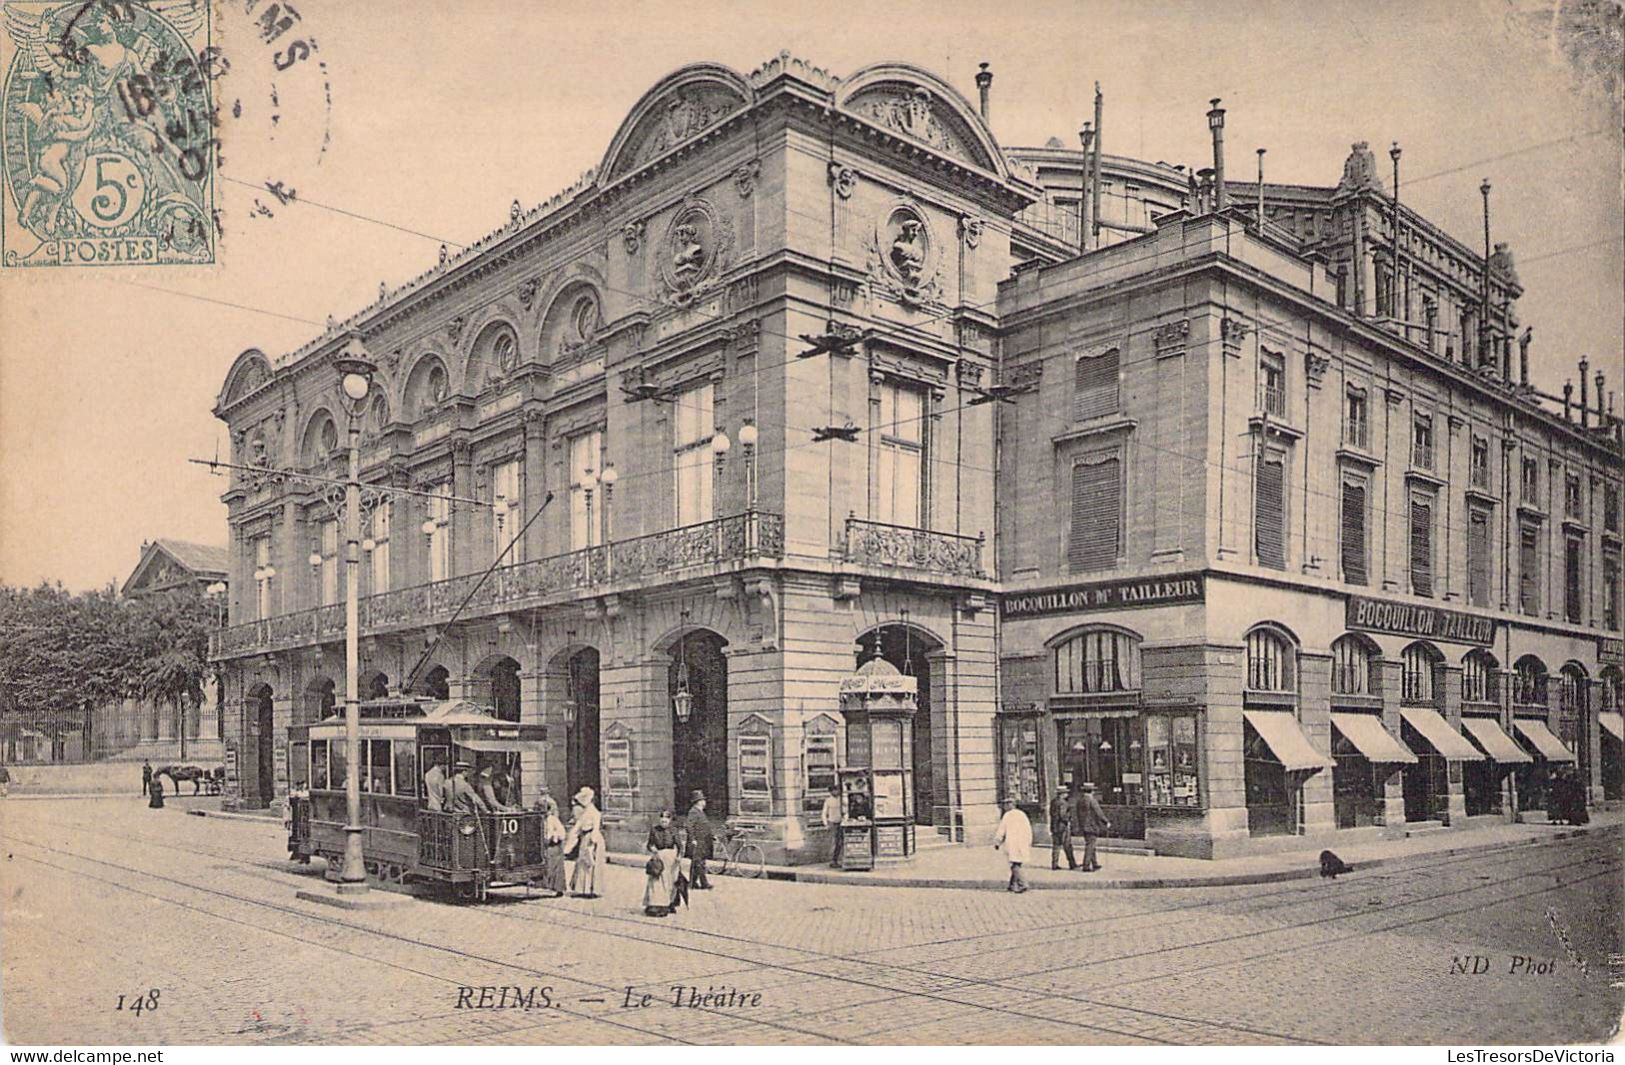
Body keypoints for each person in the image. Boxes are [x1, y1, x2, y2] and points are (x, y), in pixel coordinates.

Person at [563, 787, 604, 898]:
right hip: (585, 837)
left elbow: (595, 828)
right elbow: (577, 827)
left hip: (592, 838)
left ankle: (593, 889)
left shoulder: (595, 812)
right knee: (582, 862)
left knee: (590, 862)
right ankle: (583, 889)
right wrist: (568, 845)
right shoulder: (585, 812)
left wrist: (592, 843)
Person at [644, 810, 680, 916]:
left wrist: (679, 856)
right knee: (656, 882)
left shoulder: (674, 830)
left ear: (670, 820)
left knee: (671, 882)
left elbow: (679, 845)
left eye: (666, 819)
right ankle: (655, 904)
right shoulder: (654, 830)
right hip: (658, 858)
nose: (664, 820)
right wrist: (653, 849)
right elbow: (649, 844)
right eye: (662, 818)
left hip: (670, 858)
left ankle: (670, 903)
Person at [993, 797, 1032, 893]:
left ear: (1011, 805)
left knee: (1015, 864)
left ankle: (1023, 884)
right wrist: (1028, 842)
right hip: (1022, 842)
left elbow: (1002, 830)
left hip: (1013, 843)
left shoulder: (1007, 815)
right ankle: (1012, 885)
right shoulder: (1022, 814)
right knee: (1017, 863)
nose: (1005, 806)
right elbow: (1028, 829)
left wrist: (997, 841)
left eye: (1006, 804)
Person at [535, 795, 568, 897]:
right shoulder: (540, 820)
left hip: (554, 846)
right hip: (545, 846)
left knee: (556, 868)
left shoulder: (553, 819)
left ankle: (558, 889)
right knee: (547, 866)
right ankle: (547, 886)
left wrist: (554, 837)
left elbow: (561, 832)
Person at [1076, 782, 1111, 872]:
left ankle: (1094, 863)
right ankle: (1086, 865)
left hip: (1083, 826)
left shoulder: (1080, 800)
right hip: (1091, 826)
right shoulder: (1092, 800)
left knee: (1091, 844)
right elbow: (1098, 812)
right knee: (1090, 845)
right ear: (1092, 791)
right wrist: (1106, 821)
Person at [685, 790, 714, 890]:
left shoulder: (700, 812)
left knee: (697, 862)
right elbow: (689, 826)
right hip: (697, 841)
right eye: (702, 800)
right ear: (698, 802)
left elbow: (705, 826)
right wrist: (692, 839)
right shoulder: (693, 811)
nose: (704, 802)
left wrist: (711, 835)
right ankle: (704, 883)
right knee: (699, 863)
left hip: (703, 841)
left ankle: (692, 883)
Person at [1049, 782, 1077, 870]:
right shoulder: (1063, 803)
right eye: (1066, 793)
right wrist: (1068, 819)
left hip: (1054, 826)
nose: (1067, 794)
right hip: (1063, 826)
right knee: (1067, 845)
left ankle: (1054, 863)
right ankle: (1072, 863)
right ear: (1062, 794)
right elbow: (1062, 815)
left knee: (1056, 846)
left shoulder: (1053, 802)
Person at [821, 784, 844, 867]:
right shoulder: (828, 800)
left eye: (837, 790)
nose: (836, 792)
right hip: (832, 823)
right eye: (834, 790)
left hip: (841, 822)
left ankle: (841, 859)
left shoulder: (841, 799)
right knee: (834, 842)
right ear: (830, 792)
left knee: (841, 842)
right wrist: (826, 824)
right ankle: (833, 860)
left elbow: (845, 809)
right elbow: (824, 813)